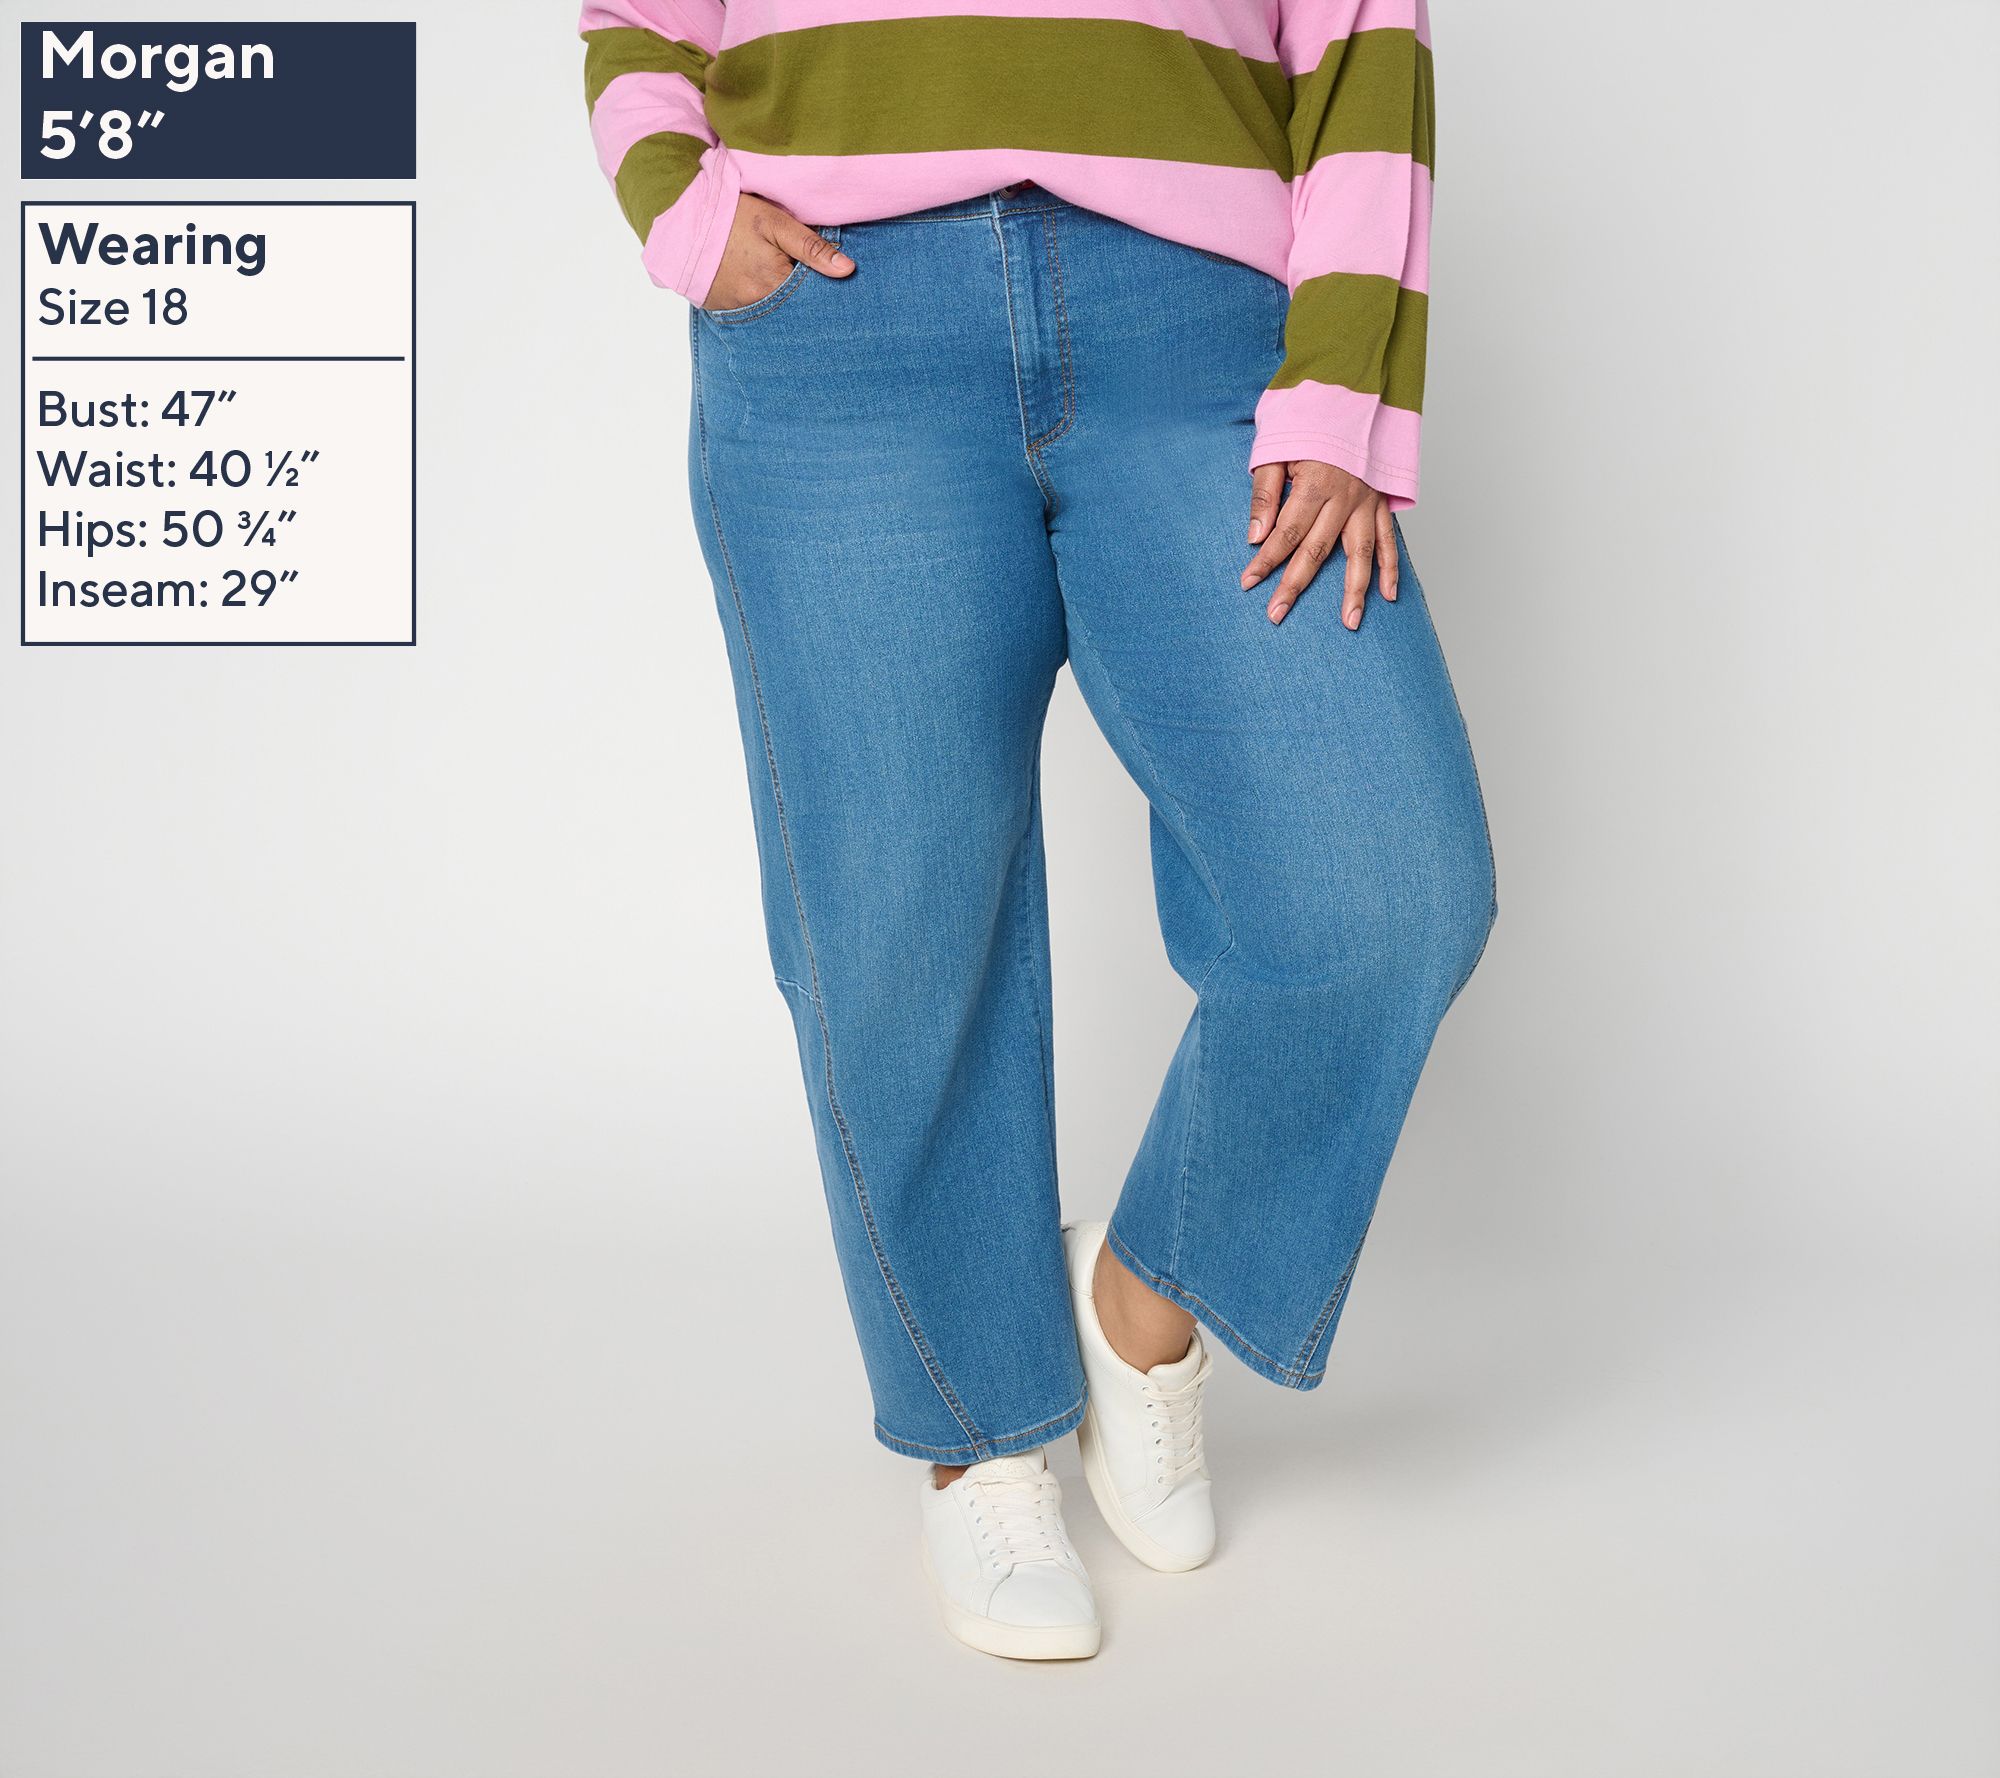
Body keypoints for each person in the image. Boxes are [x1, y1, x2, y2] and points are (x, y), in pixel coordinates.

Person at [579, 0, 1492, 1661]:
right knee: (896, 914)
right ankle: (977, 1429)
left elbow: (1367, 30)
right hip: (843, 316)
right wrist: (679, 202)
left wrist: (1344, 376)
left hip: (1202, 316)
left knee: (1387, 888)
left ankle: (1136, 1307)